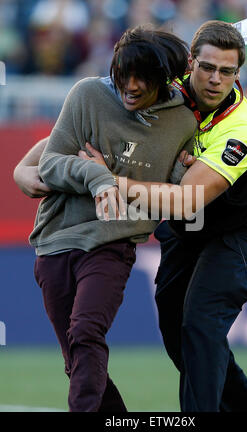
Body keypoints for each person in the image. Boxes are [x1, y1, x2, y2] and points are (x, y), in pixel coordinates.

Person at [13, 22, 247, 412]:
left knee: (200, 325)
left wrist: (108, 179)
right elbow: (81, 120)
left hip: (236, 230)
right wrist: (22, 169)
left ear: (239, 74)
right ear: (190, 64)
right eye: (207, 68)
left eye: (228, 72)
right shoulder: (159, 76)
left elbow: (187, 199)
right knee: (174, 330)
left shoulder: (241, 130)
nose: (215, 79)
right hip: (185, 233)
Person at [14, 25, 198, 412]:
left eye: (142, 78)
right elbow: (50, 164)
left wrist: (184, 173)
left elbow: (176, 194)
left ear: (163, 79)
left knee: (85, 331)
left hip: (113, 244)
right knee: (77, 358)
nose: (130, 86)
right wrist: (97, 179)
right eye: (122, 74)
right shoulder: (86, 93)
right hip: (54, 240)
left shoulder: (183, 122)